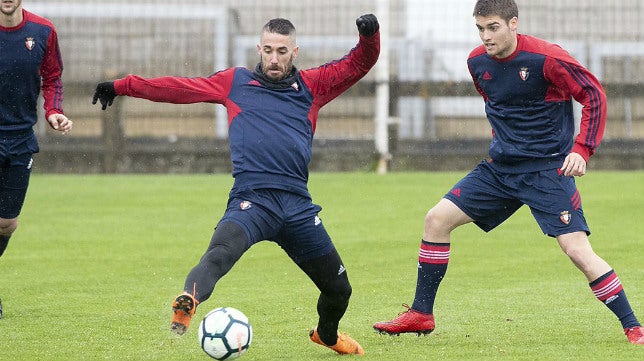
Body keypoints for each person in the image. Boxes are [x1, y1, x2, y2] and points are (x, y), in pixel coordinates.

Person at [92, 14, 379, 355]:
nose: (274, 58)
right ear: (259, 49)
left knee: (338, 289)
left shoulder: (312, 86)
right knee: (219, 254)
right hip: (252, 202)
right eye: (268, 50)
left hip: (298, 207)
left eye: (282, 51)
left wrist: (369, 34)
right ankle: (189, 301)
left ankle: (327, 335)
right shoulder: (235, 82)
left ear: (295, 52)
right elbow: (178, 89)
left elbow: (359, 63)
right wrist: (123, 86)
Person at [373, 0, 644, 345]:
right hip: (500, 171)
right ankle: (422, 314)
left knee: (577, 250)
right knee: (436, 220)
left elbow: (593, 94)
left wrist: (581, 149)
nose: (486, 36)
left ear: (513, 23)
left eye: (493, 27)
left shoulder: (547, 58)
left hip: (546, 170)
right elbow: (497, 105)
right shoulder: (476, 62)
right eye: (480, 28)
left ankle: (633, 327)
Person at [0, 0, 72, 319]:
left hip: (19, 141)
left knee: (6, 223)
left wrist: (53, 111)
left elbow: (53, 77)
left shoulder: (42, 31)